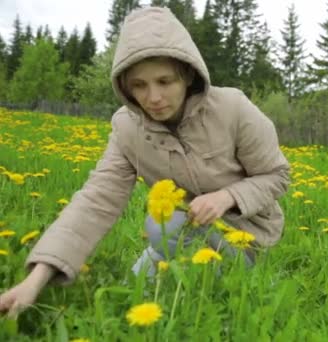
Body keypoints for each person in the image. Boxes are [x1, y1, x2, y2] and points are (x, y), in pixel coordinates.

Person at [0, 6, 290, 318]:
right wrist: (36, 278)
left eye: (165, 81)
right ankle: (174, 265)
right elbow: (95, 202)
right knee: (127, 301)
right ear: (125, 87)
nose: (153, 97)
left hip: (246, 235)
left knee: (162, 227)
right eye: (139, 85)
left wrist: (228, 196)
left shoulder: (233, 108)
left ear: (188, 74)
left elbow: (277, 175)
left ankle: (226, 288)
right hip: (185, 231)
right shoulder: (126, 129)